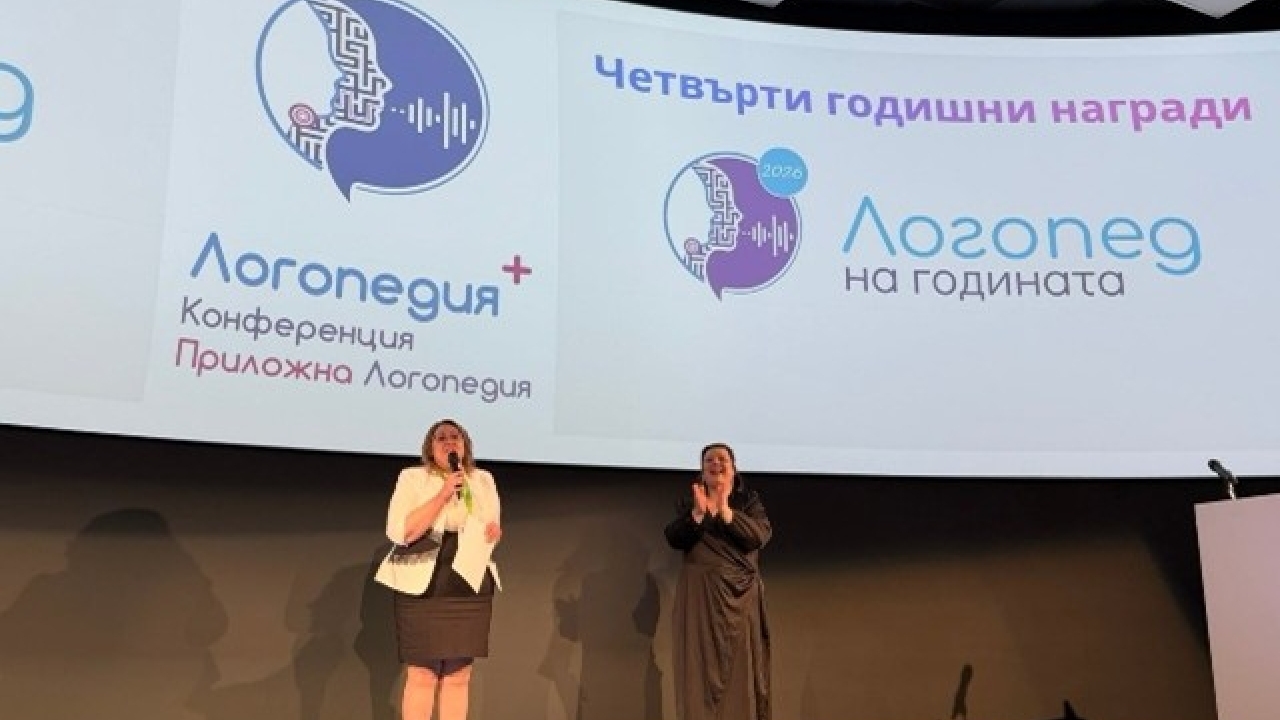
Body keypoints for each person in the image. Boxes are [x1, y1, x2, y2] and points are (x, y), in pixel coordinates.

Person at [375, 419, 503, 720]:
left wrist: (493, 533)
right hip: (425, 581)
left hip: (468, 580)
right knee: (422, 674)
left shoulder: (482, 480)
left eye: (455, 437)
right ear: (430, 449)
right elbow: (400, 531)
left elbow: (490, 527)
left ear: (465, 445)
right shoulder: (413, 478)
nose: (449, 442)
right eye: (441, 438)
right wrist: (443, 494)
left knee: (459, 675)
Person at [664, 442, 772, 720]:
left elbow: (759, 536)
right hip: (700, 598)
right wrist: (698, 515)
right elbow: (674, 537)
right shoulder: (690, 504)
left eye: (722, 459)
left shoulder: (748, 502)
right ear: (701, 471)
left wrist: (725, 511)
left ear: (734, 469)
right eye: (709, 460)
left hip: (740, 596)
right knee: (697, 672)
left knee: (742, 674)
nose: (715, 464)